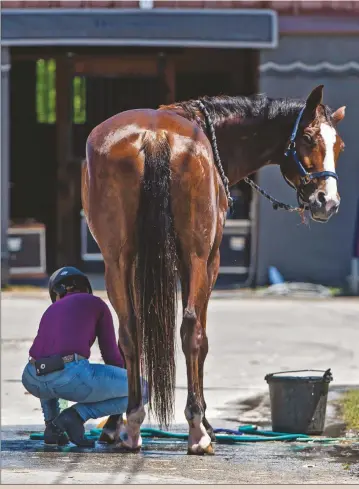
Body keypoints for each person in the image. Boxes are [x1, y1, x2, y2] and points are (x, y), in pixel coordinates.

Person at [22, 266, 147, 447]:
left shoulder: (51, 310)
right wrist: (121, 386)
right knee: (142, 390)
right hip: (70, 377)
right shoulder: (96, 304)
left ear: (57, 292)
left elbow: (46, 359)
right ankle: (76, 416)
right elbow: (111, 355)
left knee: (48, 365)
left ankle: (52, 427)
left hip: (31, 377)